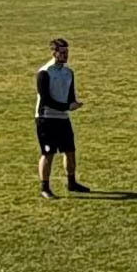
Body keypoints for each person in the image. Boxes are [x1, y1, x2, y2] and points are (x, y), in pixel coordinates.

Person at [35, 37, 90, 199]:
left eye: (67, 52)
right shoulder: (44, 72)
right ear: (54, 53)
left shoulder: (68, 72)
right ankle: (45, 187)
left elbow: (70, 95)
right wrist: (67, 107)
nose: (66, 55)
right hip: (46, 118)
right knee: (48, 153)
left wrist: (74, 103)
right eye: (62, 52)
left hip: (62, 119)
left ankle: (71, 182)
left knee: (70, 151)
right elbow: (45, 99)